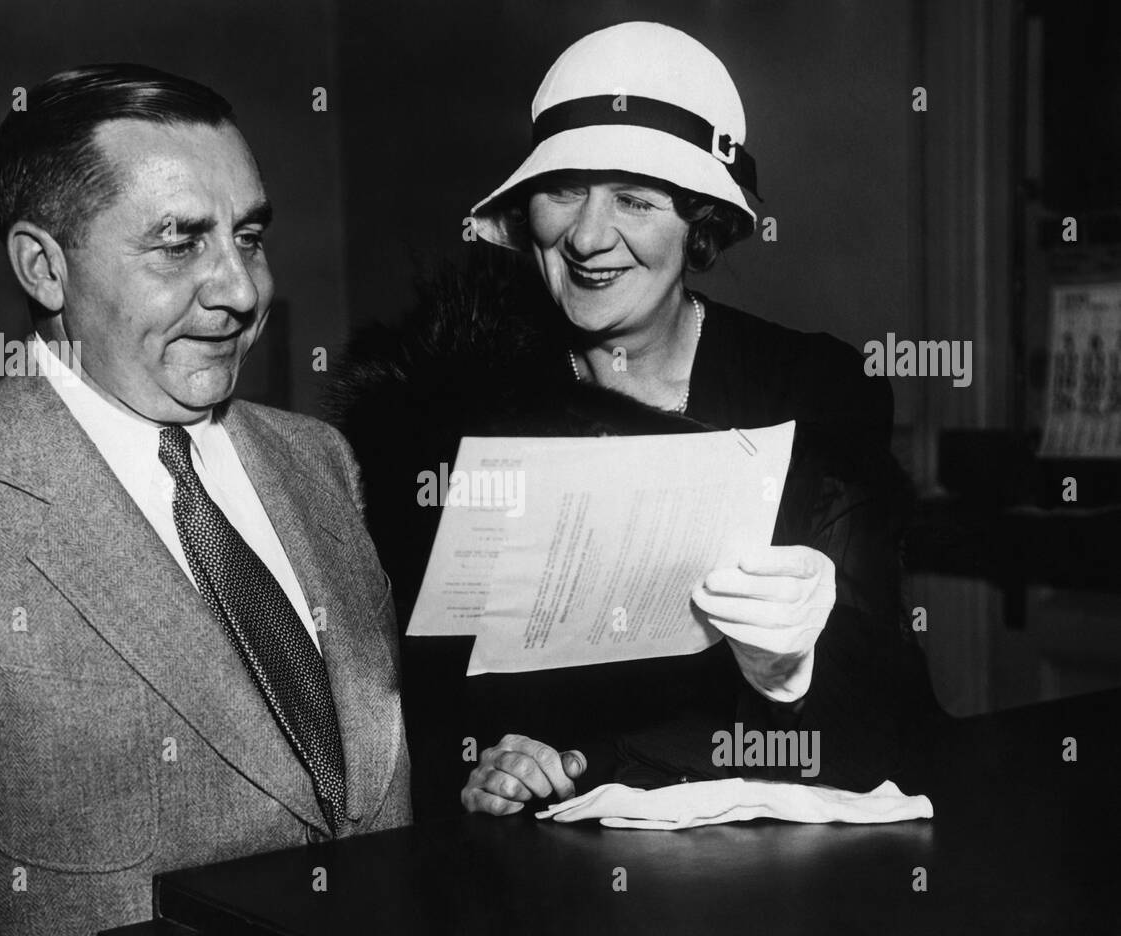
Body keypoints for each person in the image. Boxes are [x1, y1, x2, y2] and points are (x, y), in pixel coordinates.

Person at [0, 64, 409, 936]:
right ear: (43, 265)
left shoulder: (322, 461)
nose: (241, 290)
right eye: (179, 244)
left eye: (247, 236)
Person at [329, 22, 937, 819]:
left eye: (633, 198)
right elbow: (419, 694)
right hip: (546, 880)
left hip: (770, 864)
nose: (586, 235)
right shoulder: (461, 404)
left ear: (700, 224)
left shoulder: (809, 391)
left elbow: (884, 706)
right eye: (563, 189)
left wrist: (792, 664)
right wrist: (492, 764)